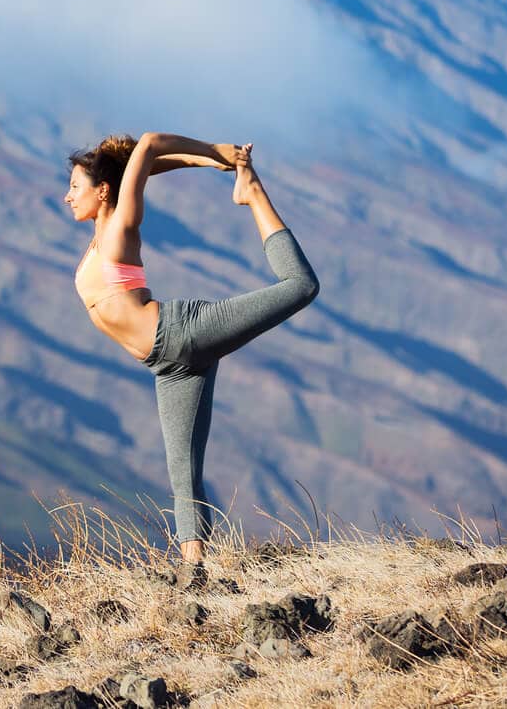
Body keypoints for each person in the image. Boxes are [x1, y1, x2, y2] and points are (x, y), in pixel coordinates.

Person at [64, 133, 320, 574]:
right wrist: (204, 164)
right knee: (183, 472)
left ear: (101, 190)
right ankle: (195, 573)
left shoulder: (120, 225)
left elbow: (147, 146)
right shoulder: (99, 231)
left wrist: (216, 152)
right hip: (169, 366)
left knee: (301, 286)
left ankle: (253, 194)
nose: (67, 196)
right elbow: (138, 170)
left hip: (183, 333)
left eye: (74, 187)